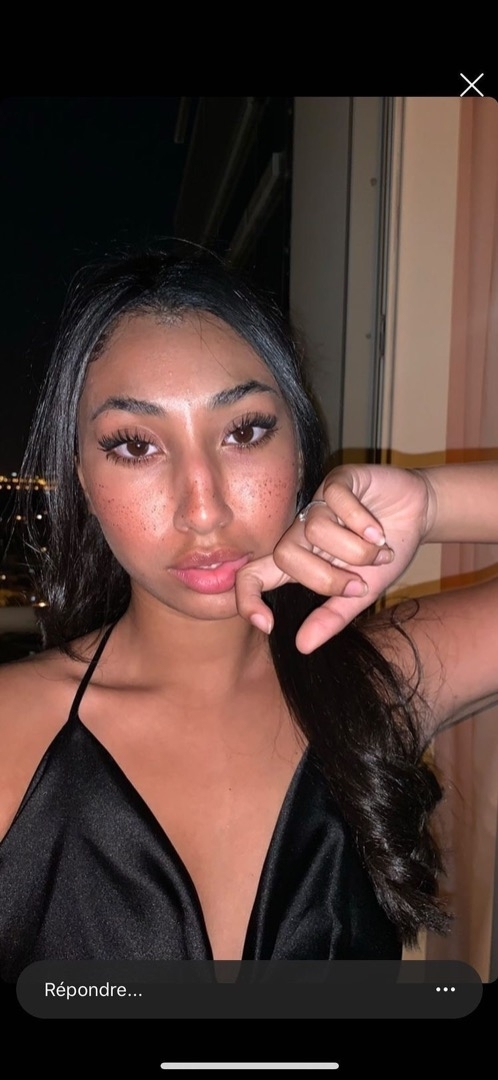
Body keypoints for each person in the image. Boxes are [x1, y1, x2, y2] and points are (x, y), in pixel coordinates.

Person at [0, 245, 496, 982]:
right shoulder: (12, 732)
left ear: (299, 448)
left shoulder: (372, 686)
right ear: (82, 475)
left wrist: (433, 503)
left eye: (244, 432)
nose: (203, 508)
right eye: (135, 445)